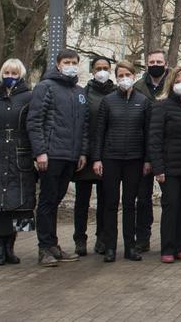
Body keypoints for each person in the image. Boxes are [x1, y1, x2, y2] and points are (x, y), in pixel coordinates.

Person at [28, 49, 89, 266]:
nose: (71, 65)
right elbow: (35, 120)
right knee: (47, 200)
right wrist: (40, 152)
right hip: (51, 154)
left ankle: (53, 245)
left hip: (71, 156)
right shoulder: (45, 87)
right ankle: (44, 247)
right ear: (58, 64)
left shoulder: (79, 92)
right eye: (67, 62)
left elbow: (84, 125)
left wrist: (82, 152)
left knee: (56, 200)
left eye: (74, 62)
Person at [91, 61, 152, 262]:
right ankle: (110, 247)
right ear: (116, 77)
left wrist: (147, 160)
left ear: (134, 76)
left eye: (128, 75)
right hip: (111, 158)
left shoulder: (143, 101)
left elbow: (148, 133)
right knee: (110, 204)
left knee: (129, 204)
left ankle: (130, 247)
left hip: (134, 159)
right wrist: (97, 158)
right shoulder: (108, 101)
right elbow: (99, 132)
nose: (124, 78)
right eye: (120, 75)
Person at [0, 58, 35, 267]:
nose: (10, 77)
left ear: (20, 75)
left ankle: (11, 247)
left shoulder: (29, 97)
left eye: (14, 73)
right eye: (7, 73)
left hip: (20, 152)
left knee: (18, 203)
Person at [149, 65, 181, 263]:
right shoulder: (162, 105)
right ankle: (167, 248)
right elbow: (154, 138)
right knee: (171, 207)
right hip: (169, 167)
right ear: (171, 84)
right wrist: (158, 168)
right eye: (178, 81)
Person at [72, 55, 115, 257]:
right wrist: (82, 151)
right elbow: (81, 124)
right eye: (98, 68)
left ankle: (102, 238)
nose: (102, 71)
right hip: (87, 154)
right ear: (92, 70)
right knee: (82, 200)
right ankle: (80, 239)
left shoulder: (115, 93)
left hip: (108, 154)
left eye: (105, 68)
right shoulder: (84, 93)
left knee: (105, 200)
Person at [132, 48, 170, 252]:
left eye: (159, 62)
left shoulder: (174, 84)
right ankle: (142, 238)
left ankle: (170, 240)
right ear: (147, 64)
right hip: (142, 149)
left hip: (168, 150)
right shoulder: (138, 87)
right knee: (143, 198)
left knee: (169, 198)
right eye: (152, 62)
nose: (155, 65)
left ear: (166, 64)